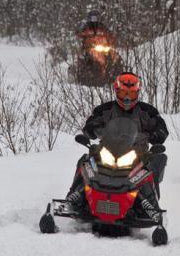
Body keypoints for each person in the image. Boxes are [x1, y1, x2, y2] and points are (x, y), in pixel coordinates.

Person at [66, 72, 169, 211]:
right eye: (124, 93)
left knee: (150, 168)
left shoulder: (147, 111)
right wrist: (92, 129)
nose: (127, 98)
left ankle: (150, 206)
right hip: (107, 153)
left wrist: (157, 134)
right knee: (85, 162)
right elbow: (90, 124)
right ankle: (74, 197)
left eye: (131, 94)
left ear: (137, 93)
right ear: (116, 91)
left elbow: (161, 128)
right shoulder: (105, 109)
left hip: (137, 157)